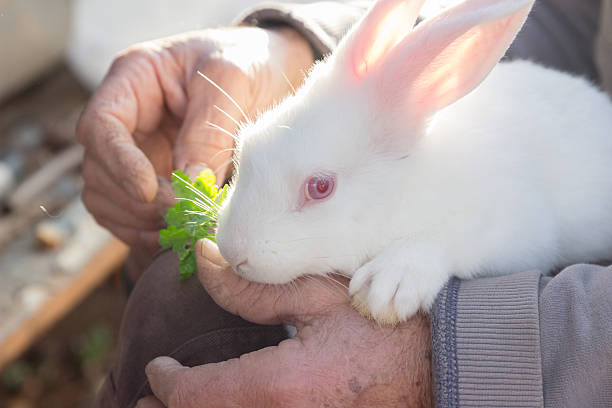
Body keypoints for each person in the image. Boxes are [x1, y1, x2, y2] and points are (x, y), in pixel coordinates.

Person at [77, 1, 612, 407]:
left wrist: (432, 259)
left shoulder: (448, 177)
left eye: (317, 189)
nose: (236, 243)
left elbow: (532, 229)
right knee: (174, 298)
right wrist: (289, 44)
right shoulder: (350, 139)